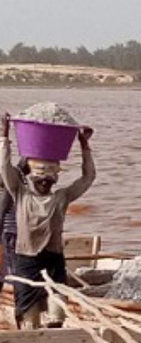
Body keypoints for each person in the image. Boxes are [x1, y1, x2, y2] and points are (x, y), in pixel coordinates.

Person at [1, 113, 96, 329]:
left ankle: (55, 329)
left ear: (55, 178)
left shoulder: (61, 197)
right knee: (29, 320)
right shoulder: (21, 194)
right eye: (40, 177)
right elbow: (5, 167)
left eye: (49, 178)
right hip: (26, 260)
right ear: (31, 177)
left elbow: (88, 178)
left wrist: (84, 145)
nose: (44, 181)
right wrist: (5, 134)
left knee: (56, 315)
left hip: (53, 259)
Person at [0, 158, 27, 282]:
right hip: (9, 231)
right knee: (11, 270)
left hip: (10, 231)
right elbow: (3, 209)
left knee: (7, 269)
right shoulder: (14, 176)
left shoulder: (14, 175)